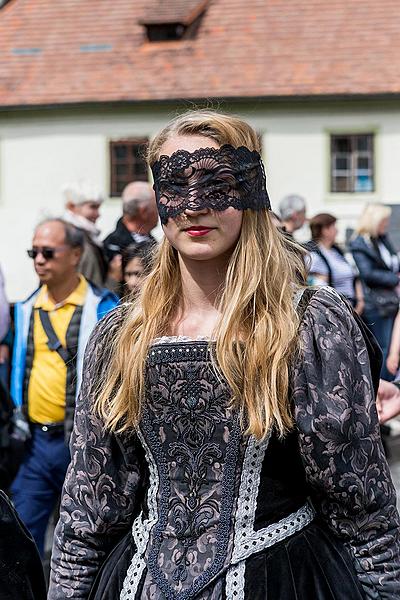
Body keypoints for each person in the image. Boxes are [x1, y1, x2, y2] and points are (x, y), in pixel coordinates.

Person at [49, 111, 400, 599]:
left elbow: (360, 504)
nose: (193, 207)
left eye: (215, 184)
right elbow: (90, 505)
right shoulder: (120, 335)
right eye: (175, 186)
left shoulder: (308, 325)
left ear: (251, 193)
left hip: (279, 580)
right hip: (139, 583)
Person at [10, 219, 118, 557]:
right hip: (34, 445)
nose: (39, 260)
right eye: (33, 253)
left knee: (81, 542)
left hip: (83, 443)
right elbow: (19, 368)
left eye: (47, 253)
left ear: (75, 255)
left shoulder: (104, 308)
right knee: (21, 537)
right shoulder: (28, 307)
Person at [350, 203, 400, 380]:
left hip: (390, 300)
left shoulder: (382, 239)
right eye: (384, 221)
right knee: (383, 348)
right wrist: (395, 279)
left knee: (391, 346)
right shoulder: (359, 243)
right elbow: (368, 274)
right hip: (376, 304)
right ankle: (383, 386)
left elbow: (393, 262)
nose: (386, 224)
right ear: (374, 221)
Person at [307, 213, 364, 314]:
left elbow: (354, 275)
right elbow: (317, 284)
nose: (337, 231)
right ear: (325, 230)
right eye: (334, 227)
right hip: (333, 310)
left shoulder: (337, 251)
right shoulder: (314, 255)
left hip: (352, 306)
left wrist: (360, 302)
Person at [63, 180, 109, 287]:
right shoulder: (71, 239)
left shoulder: (86, 237)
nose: (98, 214)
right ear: (71, 206)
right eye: (93, 207)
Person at [103, 181, 158, 260]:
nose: (159, 213)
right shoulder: (113, 247)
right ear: (143, 212)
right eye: (156, 208)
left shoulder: (150, 240)